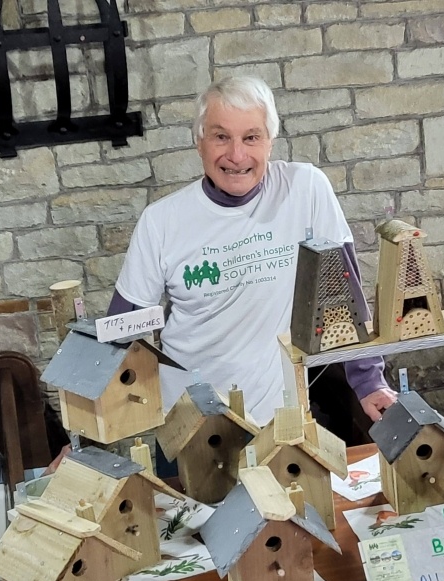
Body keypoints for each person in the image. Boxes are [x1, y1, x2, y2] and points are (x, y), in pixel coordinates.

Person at [111, 76, 397, 425]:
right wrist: (87, 428)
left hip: (282, 420)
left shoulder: (305, 190)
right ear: (198, 142)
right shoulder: (161, 222)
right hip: (188, 424)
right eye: (220, 137)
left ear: (270, 143)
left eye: (251, 137)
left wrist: (368, 382)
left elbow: (344, 293)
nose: (236, 155)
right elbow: (121, 332)